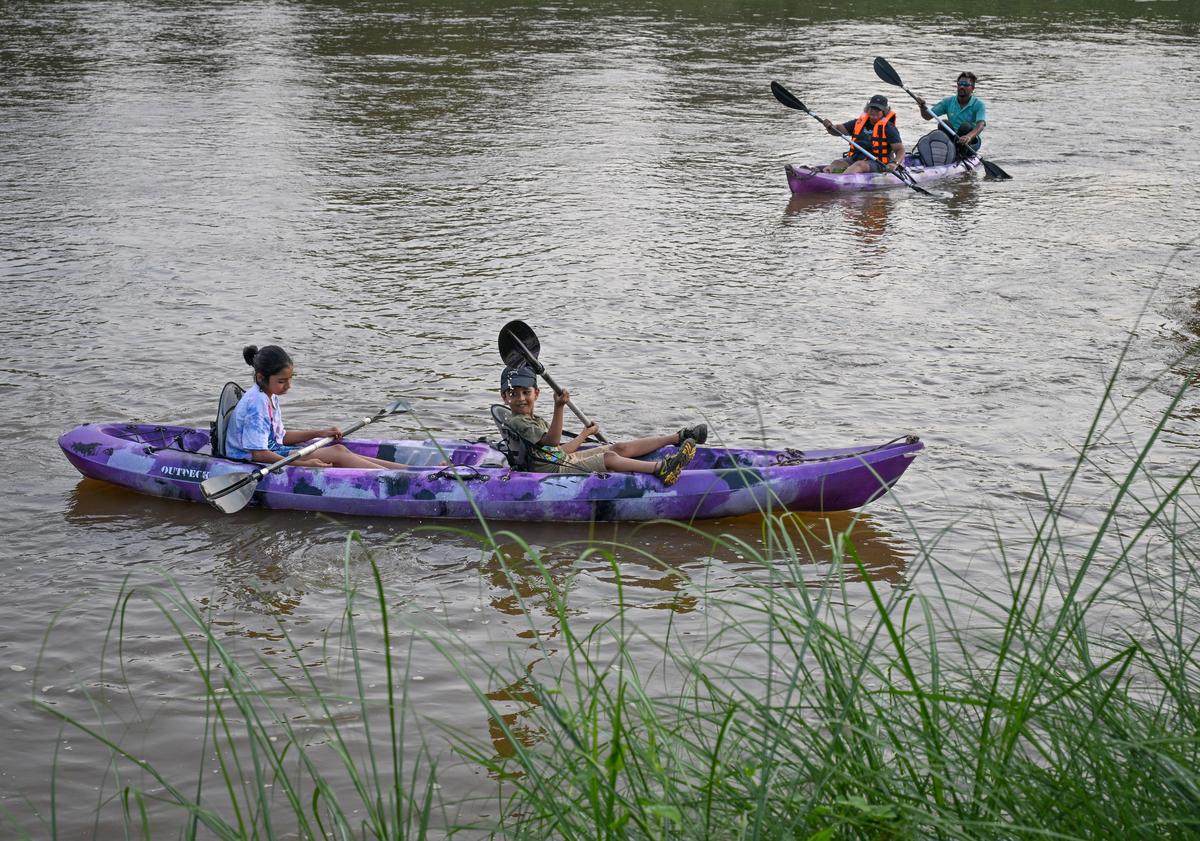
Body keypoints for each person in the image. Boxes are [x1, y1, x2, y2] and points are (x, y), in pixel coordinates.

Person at [497, 365, 705, 486]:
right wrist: (559, 406)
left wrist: (583, 434)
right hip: (555, 469)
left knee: (619, 447)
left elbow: (556, 449)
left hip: (560, 459)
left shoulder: (532, 420)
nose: (521, 398)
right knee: (609, 458)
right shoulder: (518, 421)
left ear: (536, 393)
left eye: (526, 392)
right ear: (505, 397)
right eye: (514, 394)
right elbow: (552, 441)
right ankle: (661, 469)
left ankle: (677, 437)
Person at [225, 345, 407, 469]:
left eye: (289, 379)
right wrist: (304, 464)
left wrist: (320, 432)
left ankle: (412, 471)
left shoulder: (268, 395)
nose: (288, 386)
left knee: (340, 449)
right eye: (282, 381)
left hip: (271, 449)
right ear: (260, 377)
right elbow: (259, 454)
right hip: (251, 457)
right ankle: (404, 477)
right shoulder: (256, 402)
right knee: (338, 453)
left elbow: (281, 437)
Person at [820, 94, 905, 174]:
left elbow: (900, 150)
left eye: (878, 110)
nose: (874, 112)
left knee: (860, 165)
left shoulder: (889, 128)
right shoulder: (858, 123)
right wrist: (830, 127)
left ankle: (841, 179)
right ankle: (826, 173)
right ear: (867, 109)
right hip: (856, 158)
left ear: (884, 112)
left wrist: (894, 164)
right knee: (837, 163)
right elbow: (838, 130)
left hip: (879, 163)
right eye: (872, 109)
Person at [916, 71, 987, 153]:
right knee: (943, 123)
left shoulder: (979, 104)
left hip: (970, 141)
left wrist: (969, 137)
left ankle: (960, 152)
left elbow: (980, 126)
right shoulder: (948, 101)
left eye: (966, 85)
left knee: (965, 126)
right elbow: (927, 116)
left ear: (973, 88)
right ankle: (950, 150)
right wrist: (922, 106)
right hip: (952, 137)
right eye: (960, 84)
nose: (962, 86)